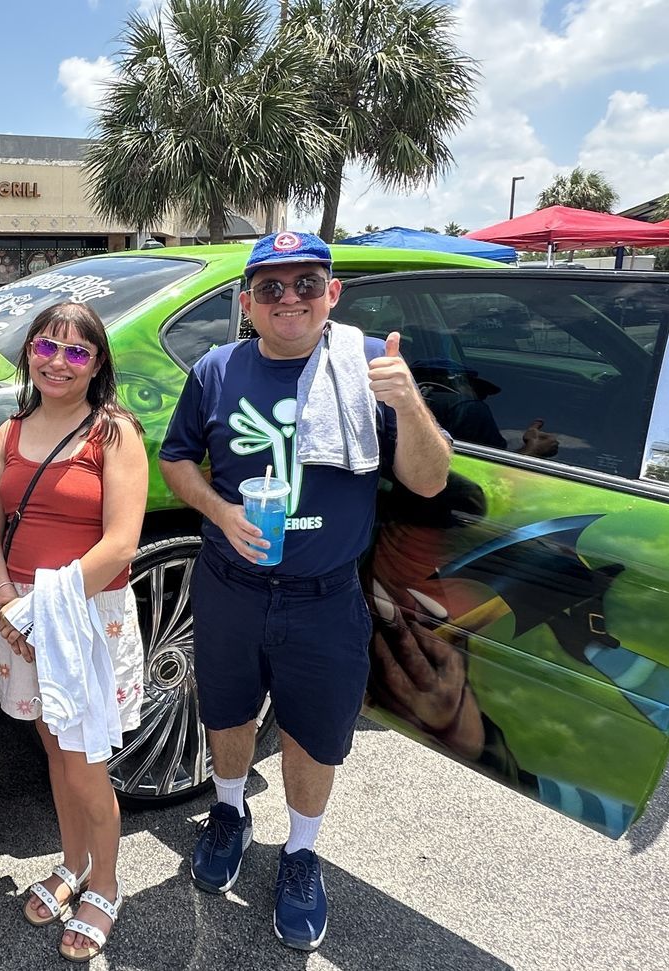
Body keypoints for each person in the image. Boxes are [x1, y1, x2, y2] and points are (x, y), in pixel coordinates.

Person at [159, 231, 450, 952]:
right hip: (231, 584)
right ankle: (229, 812)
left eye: (306, 284)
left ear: (332, 294)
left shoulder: (366, 370)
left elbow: (429, 479)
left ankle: (301, 854)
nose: (289, 298)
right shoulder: (216, 371)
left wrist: (409, 404)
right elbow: (175, 460)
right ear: (247, 302)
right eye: (271, 287)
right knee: (224, 712)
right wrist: (220, 510)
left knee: (312, 734)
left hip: (324, 596)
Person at [0, 302, 147, 963]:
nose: (59, 361)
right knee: (52, 747)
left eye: (78, 352)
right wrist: (6, 600)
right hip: (18, 617)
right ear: (29, 352)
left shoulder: (114, 432)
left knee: (85, 763)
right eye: (48, 345)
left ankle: (105, 881)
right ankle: (73, 862)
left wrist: (42, 608)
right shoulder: (11, 432)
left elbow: (121, 541)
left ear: (97, 363)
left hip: (83, 618)